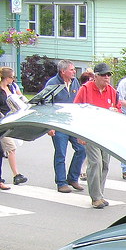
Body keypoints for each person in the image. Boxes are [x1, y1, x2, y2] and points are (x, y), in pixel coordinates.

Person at [73, 62, 120, 209]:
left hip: (107, 132)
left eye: (109, 75)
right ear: (96, 76)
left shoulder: (112, 91)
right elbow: (76, 111)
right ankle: (95, 197)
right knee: (96, 163)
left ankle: (100, 193)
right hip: (90, 131)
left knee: (105, 164)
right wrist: (79, 133)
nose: (107, 77)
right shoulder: (85, 89)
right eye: (104, 75)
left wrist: (116, 112)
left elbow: (118, 109)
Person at [42, 59, 86, 192]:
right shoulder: (52, 84)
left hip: (72, 123)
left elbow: (78, 101)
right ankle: (61, 182)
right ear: (63, 71)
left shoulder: (75, 82)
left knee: (81, 149)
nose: (74, 72)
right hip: (58, 124)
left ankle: (73, 178)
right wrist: (50, 126)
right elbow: (45, 105)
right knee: (61, 153)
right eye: (72, 70)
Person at [0, 66, 27, 190]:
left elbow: (21, 98)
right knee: (10, 148)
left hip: (11, 120)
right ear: (6, 77)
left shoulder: (12, 87)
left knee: (3, 151)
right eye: (12, 77)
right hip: (2, 122)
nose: (13, 79)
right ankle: (16, 175)